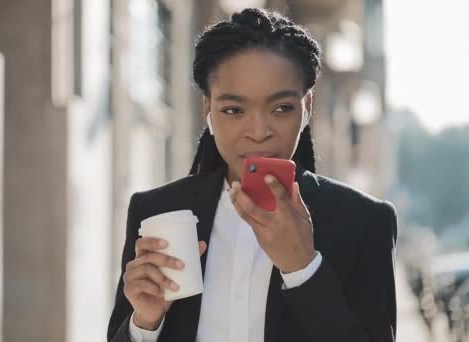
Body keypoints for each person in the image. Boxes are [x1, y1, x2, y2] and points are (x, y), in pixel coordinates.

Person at [108, 8, 397, 342]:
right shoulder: (157, 212)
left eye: (281, 108)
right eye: (233, 110)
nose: (258, 131)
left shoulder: (363, 222)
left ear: (307, 107)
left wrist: (303, 269)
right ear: (208, 110)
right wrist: (144, 323)